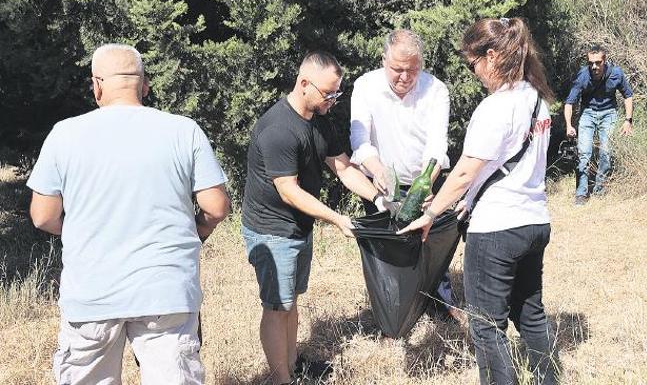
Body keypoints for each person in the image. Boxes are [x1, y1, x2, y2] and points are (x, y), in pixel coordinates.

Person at [27, 43, 231, 384]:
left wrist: (82, 230)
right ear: (145, 85)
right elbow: (216, 207)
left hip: (92, 292)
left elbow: (42, 216)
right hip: (166, 291)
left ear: (97, 84)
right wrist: (197, 231)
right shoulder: (184, 130)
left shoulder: (65, 134)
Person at [399, 17, 559, 385]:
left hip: (497, 230)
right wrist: (470, 200)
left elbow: (466, 172)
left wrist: (431, 211)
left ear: (491, 56)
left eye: (473, 65)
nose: (474, 74)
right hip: (534, 221)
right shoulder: (538, 102)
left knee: (487, 326)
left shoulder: (495, 108)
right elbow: (510, 166)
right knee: (531, 315)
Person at [241, 51, 381, 385]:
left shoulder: (319, 119)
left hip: (297, 227)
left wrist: (378, 196)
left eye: (337, 93)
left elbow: (343, 167)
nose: (333, 100)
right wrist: (337, 218)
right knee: (278, 306)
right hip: (271, 230)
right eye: (328, 93)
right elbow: (289, 191)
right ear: (304, 84)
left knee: (290, 301)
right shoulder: (277, 129)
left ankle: (291, 364)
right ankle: (280, 379)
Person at [349, 28, 460, 321]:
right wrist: (378, 171)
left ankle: (441, 304)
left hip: (423, 183)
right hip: (381, 184)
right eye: (397, 69)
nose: (405, 77)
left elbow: (437, 145)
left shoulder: (436, 90)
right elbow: (360, 141)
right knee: (387, 251)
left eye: (413, 69)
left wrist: (427, 183)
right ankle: (393, 311)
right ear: (384, 59)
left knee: (429, 245)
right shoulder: (365, 86)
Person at [564, 45, 633, 205]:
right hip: (588, 113)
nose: (594, 66)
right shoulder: (582, 76)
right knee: (584, 154)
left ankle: (600, 190)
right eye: (590, 63)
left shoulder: (616, 74)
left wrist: (628, 120)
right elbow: (569, 103)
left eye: (597, 63)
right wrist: (569, 125)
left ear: (604, 61)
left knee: (606, 153)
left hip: (609, 113)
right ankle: (581, 193)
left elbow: (628, 95)